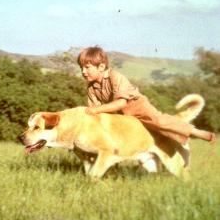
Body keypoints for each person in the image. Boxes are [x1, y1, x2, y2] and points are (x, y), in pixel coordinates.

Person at [77, 46, 216, 145]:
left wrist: (95, 110)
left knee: (158, 123)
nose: (83, 71)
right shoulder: (91, 88)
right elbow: (95, 112)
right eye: (81, 68)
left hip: (136, 106)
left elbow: (121, 103)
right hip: (119, 115)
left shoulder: (115, 77)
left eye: (87, 67)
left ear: (101, 67)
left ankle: (196, 132)